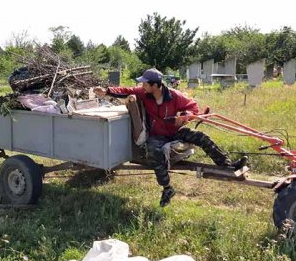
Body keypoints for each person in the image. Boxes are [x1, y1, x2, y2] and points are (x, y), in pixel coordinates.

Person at [94, 68, 247, 207]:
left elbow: (192, 107)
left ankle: (227, 165)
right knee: (154, 150)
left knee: (201, 136)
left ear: (155, 85)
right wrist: (106, 90)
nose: (142, 87)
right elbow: (125, 90)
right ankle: (167, 188)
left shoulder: (174, 96)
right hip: (157, 135)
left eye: (145, 84)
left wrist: (185, 117)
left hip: (175, 132)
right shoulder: (144, 94)